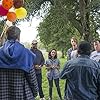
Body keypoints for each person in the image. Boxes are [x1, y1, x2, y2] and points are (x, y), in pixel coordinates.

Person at [0, 26, 38, 100]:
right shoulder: (26, 53)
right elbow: (32, 78)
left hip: (2, 94)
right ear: (18, 36)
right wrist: (35, 92)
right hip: (22, 94)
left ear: (7, 36)